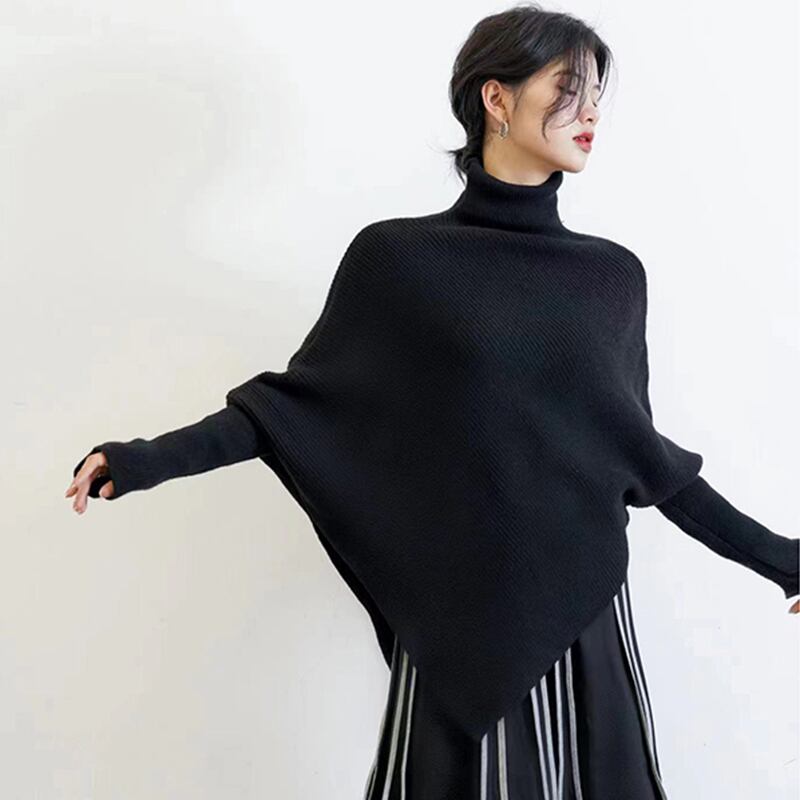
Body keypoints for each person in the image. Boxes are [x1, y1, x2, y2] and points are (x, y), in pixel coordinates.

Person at [66, 5, 799, 798]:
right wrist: (143, 461)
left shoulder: (613, 277)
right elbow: (289, 411)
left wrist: (783, 561)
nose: (591, 113)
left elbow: (648, 463)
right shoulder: (399, 260)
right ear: (496, 97)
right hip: (461, 627)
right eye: (568, 88)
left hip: (586, 618)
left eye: (597, 95)